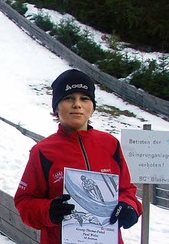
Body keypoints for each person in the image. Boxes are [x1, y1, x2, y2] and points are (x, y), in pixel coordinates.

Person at [14, 69, 142, 244]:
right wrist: (49, 211)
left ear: (92, 106)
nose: (77, 105)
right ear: (56, 107)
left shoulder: (110, 144)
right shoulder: (43, 151)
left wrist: (130, 206)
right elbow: (25, 202)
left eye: (84, 98)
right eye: (68, 98)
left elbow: (127, 190)